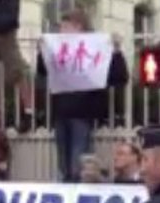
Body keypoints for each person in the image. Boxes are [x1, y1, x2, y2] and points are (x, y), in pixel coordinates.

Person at [37, 9, 126, 182]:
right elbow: (44, 70)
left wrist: (115, 52)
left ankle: (76, 190)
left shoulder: (94, 46)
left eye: (65, 26)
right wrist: (43, 51)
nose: (61, 31)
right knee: (64, 165)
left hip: (82, 113)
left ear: (78, 27)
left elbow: (118, 77)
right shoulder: (61, 48)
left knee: (78, 163)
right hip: (62, 111)